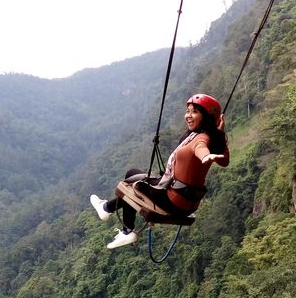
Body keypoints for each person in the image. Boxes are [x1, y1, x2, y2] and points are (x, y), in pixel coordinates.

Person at [89, 94, 230, 249]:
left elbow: (202, 148)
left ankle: (126, 230)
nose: (188, 116)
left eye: (194, 112)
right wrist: (220, 135)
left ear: (207, 117)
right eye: (188, 111)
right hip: (183, 199)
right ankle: (106, 209)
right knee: (132, 173)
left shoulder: (201, 138)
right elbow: (224, 160)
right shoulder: (203, 136)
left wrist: (206, 156)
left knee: (135, 185)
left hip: (173, 201)